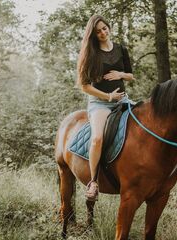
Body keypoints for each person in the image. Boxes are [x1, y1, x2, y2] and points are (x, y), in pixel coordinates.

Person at [76, 15, 134, 201]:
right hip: (100, 103)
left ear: (109, 27)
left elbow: (131, 76)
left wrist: (121, 74)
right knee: (97, 138)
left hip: (123, 100)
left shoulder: (120, 49)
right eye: (98, 31)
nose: (103, 32)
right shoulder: (91, 53)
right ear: (94, 34)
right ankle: (93, 183)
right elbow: (85, 86)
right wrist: (108, 96)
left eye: (104, 28)